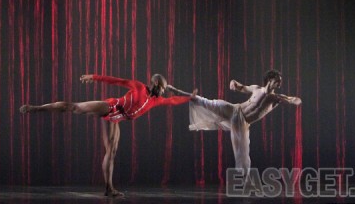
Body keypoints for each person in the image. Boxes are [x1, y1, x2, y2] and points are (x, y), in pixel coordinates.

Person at [19, 73, 195, 197]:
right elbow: (116, 81)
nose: (163, 92)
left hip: (116, 119)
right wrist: (94, 77)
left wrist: (189, 97)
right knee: (74, 107)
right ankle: (36, 108)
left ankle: (109, 189)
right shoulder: (139, 86)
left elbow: (173, 100)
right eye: (162, 88)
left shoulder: (156, 100)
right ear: (155, 83)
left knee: (111, 152)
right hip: (110, 107)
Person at [168, 69, 301, 184]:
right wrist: (234, 83)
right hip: (234, 110)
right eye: (278, 80)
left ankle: (246, 181)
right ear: (270, 80)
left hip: (243, 122)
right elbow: (241, 87)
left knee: (242, 152)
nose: (280, 83)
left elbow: (296, 100)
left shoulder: (275, 98)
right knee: (206, 102)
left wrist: (290, 99)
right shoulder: (256, 89)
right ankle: (176, 91)